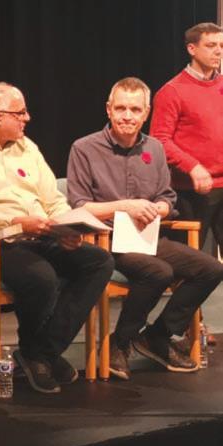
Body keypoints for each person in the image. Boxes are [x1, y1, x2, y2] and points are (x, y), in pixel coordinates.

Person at [0, 82, 114, 394]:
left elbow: (53, 199)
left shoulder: (27, 147)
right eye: (20, 113)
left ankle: (41, 352)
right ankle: (39, 354)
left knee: (98, 261)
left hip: (43, 234)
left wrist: (68, 226)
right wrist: (16, 222)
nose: (27, 118)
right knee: (41, 277)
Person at [67, 77, 223, 379]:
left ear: (146, 113)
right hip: (106, 240)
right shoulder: (85, 148)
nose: (127, 116)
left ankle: (157, 336)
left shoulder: (154, 148)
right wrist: (125, 206)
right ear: (109, 110)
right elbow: (80, 206)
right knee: (158, 271)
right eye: (121, 108)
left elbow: (166, 196)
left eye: (135, 110)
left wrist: (160, 208)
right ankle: (121, 343)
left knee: (211, 269)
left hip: (147, 236)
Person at [150, 22, 223, 257]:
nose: (218, 51)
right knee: (192, 262)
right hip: (192, 191)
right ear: (192, 49)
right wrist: (192, 166)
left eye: (221, 46)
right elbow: (159, 140)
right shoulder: (173, 91)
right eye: (211, 45)